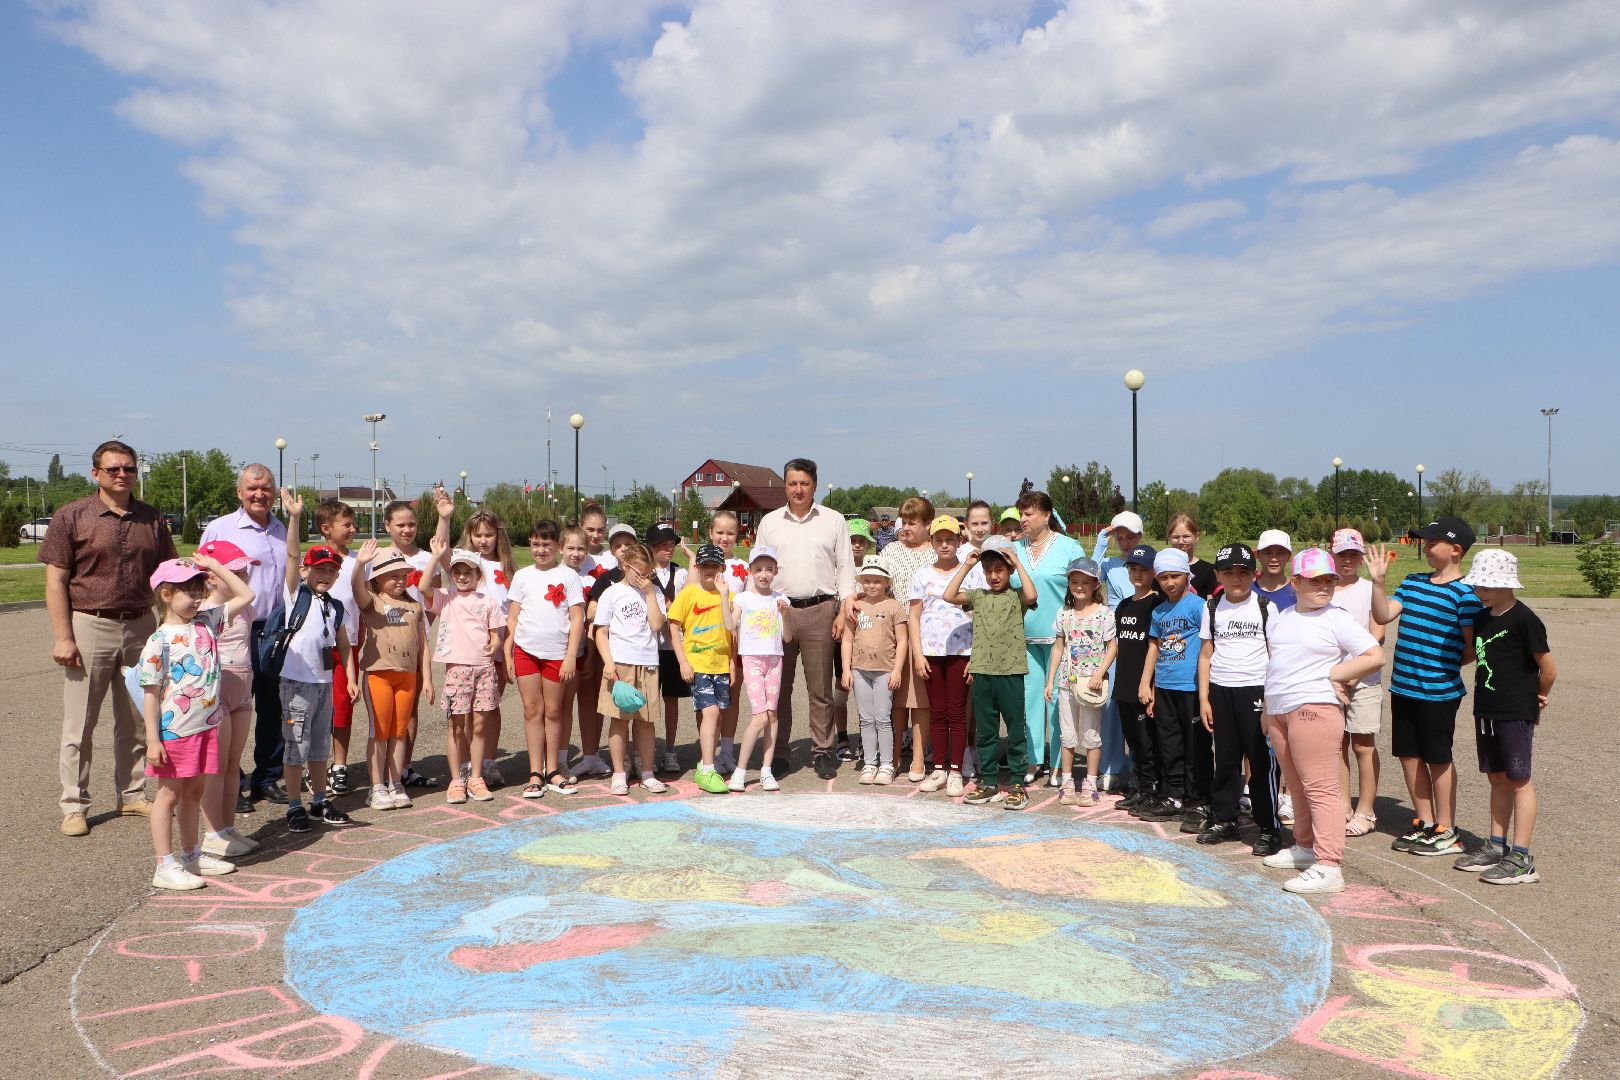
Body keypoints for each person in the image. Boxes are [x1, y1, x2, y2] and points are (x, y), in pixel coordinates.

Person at [41, 439, 177, 836]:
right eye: (113, 468)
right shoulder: (72, 516)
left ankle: (132, 794)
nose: (122, 475)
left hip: (140, 625)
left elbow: (167, 575)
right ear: (96, 473)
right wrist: (63, 636)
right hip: (89, 625)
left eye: (129, 468)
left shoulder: (151, 518)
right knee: (80, 721)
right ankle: (74, 804)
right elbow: (56, 580)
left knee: (136, 717)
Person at [1260, 549, 1384, 895]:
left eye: (1329, 580)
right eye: (1317, 580)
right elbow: (1276, 663)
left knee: (1321, 788)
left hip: (1315, 708)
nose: (1325, 586)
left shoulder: (1337, 618)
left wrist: (1338, 674)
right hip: (1282, 710)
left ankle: (1329, 864)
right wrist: (1267, 709)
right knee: (1296, 784)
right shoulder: (1282, 617)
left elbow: (1374, 654)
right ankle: (1304, 846)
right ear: (1296, 582)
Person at [1367, 517, 1483, 859]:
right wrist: (1377, 582)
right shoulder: (1413, 582)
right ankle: (1426, 821)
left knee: (1438, 759)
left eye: (1433, 542)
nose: (1426, 547)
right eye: (1425, 541)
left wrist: (1443, 666)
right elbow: (1384, 613)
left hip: (1439, 692)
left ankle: (1447, 829)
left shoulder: (1465, 594)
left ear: (1456, 550)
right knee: (1409, 756)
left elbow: (1470, 647)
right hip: (1403, 687)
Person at [138, 555, 256, 890]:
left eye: (199, 590)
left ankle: (191, 855)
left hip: (206, 726)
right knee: (170, 795)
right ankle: (164, 863)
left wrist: (214, 567)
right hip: (175, 731)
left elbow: (245, 595)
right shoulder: (158, 641)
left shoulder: (206, 622)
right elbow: (150, 694)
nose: (197, 598)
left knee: (195, 790)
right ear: (165, 594)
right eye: (189, 591)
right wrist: (153, 740)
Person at [1450, 550, 1554, 885]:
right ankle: (1496, 845)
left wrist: (1537, 699)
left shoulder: (1525, 620)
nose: (1480, 591)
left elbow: (1548, 669)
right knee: (1497, 778)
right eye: (1478, 585)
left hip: (1515, 712)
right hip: (1487, 710)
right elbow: (1478, 658)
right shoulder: (1482, 618)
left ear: (1507, 585)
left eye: (1488, 586)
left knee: (1519, 779)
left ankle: (1522, 858)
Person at [752, 458, 857, 779]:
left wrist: (842, 609)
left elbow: (845, 569)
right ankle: (778, 752)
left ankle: (823, 751)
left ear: (814, 485)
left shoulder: (833, 520)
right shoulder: (770, 522)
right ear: (785, 485)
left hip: (820, 610)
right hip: (777, 611)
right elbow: (757, 567)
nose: (798, 489)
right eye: (792, 483)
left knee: (820, 688)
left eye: (804, 483)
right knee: (778, 688)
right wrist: (752, 612)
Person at [199, 463, 287, 805]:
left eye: (265, 488)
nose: (259, 494)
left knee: (272, 705)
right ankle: (230, 784)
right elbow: (202, 573)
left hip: (275, 627)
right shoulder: (221, 529)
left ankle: (267, 776)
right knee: (229, 707)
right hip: (233, 628)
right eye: (252, 488)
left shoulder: (281, 529)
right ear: (239, 492)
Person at [1195, 543, 1284, 855]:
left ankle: (1269, 826)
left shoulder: (1264, 606)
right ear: (1218, 574)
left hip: (1256, 691)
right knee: (1227, 759)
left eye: (1244, 572)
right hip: (1222, 689)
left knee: (1261, 760)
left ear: (1254, 574)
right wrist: (1204, 698)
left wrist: (1272, 699)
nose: (1236, 578)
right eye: (1228, 572)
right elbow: (1206, 654)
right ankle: (1224, 817)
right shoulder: (1212, 607)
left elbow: (1276, 654)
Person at [278, 493, 357, 833]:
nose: (325, 574)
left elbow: (342, 644)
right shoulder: (295, 593)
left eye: (331, 569)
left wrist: (351, 677)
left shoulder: (335, 605)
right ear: (304, 570)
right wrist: (294, 517)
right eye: (319, 568)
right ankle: (294, 804)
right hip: (296, 682)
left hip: (325, 682)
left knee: (321, 745)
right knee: (296, 743)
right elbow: (293, 552)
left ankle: (319, 800)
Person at [946, 537, 1038, 809]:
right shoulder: (978, 596)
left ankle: (1018, 783)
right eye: (989, 571)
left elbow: (1032, 596)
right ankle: (989, 782)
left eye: (999, 570)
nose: (994, 576)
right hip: (983, 671)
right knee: (986, 731)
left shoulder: (1016, 596)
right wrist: (967, 566)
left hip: (1010, 672)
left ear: (1008, 570)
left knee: (1015, 730)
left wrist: (1018, 562)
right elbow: (949, 595)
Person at [418, 538, 505, 804]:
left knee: (479, 726)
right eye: (457, 572)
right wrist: (435, 557)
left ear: (478, 575)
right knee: (456, 727)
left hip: (484, 668)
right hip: (457, 669)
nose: (462, 577)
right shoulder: (446, 598)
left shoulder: (487, 601)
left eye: (468, 572)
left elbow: (496, 633)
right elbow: (423, 586)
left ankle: (475, 777)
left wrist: (496, 643)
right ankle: (457, 780)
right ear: (450, 574)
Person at [348, 538, 431, 811]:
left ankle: (396, 782)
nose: (399, 581)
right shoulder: (372, 602)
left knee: (399, 732)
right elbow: (356, 588)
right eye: (392, 576)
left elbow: (423, 646)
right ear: (379, 577)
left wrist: (427, 679)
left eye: (403, 575)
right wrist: (360, 564)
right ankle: (376, 786)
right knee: (380, 731)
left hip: (407, 677)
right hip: (379, 675)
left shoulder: (414, 608)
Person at [507, 520, 586, 798]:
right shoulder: (523, 576)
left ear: (557, 546)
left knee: (553, 711)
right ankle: (535, 772)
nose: (541, 549)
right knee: (532, 710)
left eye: (547, 544)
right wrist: (510, 651)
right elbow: (513, 617)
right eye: (536, 543)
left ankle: (553, 769)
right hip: (526, 651)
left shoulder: (568, 576)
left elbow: (577, 619)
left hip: (557, 654)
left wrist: (569, 657)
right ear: (530, 543)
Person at [195, 541, 263, 860]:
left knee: (234, 763)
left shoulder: (244, 608)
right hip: (216, 692)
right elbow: (241, 593)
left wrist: (226, 570)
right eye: (236, 571)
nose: (244, 575)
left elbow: (244, 595)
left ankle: (228, 827)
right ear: (212, 576)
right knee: (216, 767)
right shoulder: (205, 611)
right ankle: (212, 833)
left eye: (244, 569)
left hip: (242, 687)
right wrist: (217, 568)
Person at [1013, 491, 1085, 786]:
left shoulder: (1069, 547)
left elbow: (1084, 588)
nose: (1023, 519)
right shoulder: (1014, 548)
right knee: (1029, 701)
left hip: (1060, 639)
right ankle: (1033, 759)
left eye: (1029, 513)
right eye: (1021, 513)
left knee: (1057, 701)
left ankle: (1058, 763)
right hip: (1025, 638)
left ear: (1046, 515)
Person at [593, 543, 670, 796]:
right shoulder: (612, 593)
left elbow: (657, 625)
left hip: (648, 662)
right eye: (638, 571)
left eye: (647, 573)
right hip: (621, 663)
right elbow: (600, 631)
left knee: (646, 720)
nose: (642, 577)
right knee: (619, 719)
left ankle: (647, 772)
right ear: (625, 566)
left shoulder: (655, 592)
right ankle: (618, 773)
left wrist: (649, 593)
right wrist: (608, 662)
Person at [1137, 548, 1206, 828]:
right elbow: (1154, 647)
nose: (1169, 582)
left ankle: (1197, 799)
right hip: (1164, 686)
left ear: (1186, 575)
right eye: (1163, 577)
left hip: (1190, 686)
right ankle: (1174, 796)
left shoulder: (1198, 606)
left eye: (1175, 576)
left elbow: (1208, 646)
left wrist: (1207, 690)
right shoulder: (1159, 611)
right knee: (1169, 745)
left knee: (1195, 746)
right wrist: (1146, 683)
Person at [912, 515, 979, 796]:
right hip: (931, 652)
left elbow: (980, 616)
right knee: (937, 712)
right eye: (938, 540)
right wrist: (918, 654)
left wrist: (975, 657)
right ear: (932, 542)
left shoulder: (972, 573)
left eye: (950, 539)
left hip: (962, 652)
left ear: (958, 541)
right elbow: (914, 616)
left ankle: (955, 770)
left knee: (957, 712)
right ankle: (938, 768)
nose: (944, 544)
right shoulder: (922, 575)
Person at [873, 496, 936, 781]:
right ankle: (894, 755)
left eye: (913, 523)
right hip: (893, 633)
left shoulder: (936, 552)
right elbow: (876, 584)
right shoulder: (890, 550)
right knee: (896, 699)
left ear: (927, 525)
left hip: (927, 634)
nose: (906, 528)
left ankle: (919, 758)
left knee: (920, 701)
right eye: (904, 522)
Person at [1329, 529, 1387, 838]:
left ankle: (1366, 809)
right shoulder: (1326, 587)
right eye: (1342, 554)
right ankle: (1342, 804)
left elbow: (1377, 633)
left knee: (1362, 745)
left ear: (1361, 557)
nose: (1348, 560)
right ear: (1333, 554)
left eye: (1354, 554)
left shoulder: (1368, 589)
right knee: (1337, 744)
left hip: (1363, 680)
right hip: (1331, 679)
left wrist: (1353, 674)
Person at [1045, 558, 1116, 806]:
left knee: (1091, 733)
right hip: (1067, 682)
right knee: (1068, 733)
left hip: (1092, 685)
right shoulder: (1064, 614)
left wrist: (1099, 674)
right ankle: (1067, 782)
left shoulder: (1104, 614)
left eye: (1085, 582)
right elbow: (1058, 648)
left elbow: (1112, 647)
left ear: (1096, 584)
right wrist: (1050, 680)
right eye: (1074, 582)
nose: (1079, 587)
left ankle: (1090, 782)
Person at [456, 504, 518, 789]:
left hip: (497, 649)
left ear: (498, 536)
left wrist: (507, 651)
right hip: (467, 650)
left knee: (490, 707)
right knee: (466, 711)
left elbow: (512, 614)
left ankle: (489, 761)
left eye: (489, 535)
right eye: (478, 534)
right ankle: (469, 763)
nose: (483, 540)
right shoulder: (464, 566)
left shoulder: (507, 571)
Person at [724, 546, 794, 791]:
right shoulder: (742, 598)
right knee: (759, 716)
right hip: (752, 659)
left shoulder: (780, 599)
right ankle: (740, 772)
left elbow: (787, 637)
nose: (763, 574)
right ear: (750, 572)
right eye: (758, 569)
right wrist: (724, 597)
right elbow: (730, 624)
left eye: (768, 569)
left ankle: (766, 770)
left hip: (775, 659)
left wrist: (786, 615)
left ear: (775, 571)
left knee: (772, 715)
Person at [668, 543, 736, 794]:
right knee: (711, 713)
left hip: (721, 666)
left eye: (714, 566)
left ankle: (705, 760)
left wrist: (731, 664)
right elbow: (674, 627)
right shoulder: (689, 594)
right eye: (704, 565)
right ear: (697, 568)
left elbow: (732, 633)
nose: (709, 570)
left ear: (722, 568)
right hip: (698, 665)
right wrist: (683, 661)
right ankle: (707, 769)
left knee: (717, 715)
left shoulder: (728, 596)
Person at [574, 521, 639, 777]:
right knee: (619, 705)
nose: (624, 549)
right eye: (618, 545)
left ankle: (638, 755)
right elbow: (592, 612)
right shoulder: (607, 578)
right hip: (613, 652)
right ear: (611, 550)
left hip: (640, 653)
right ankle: (620, 757)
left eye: (629, 545)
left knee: (641, 705)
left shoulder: (647, 577)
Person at [379, 498, 437, 789]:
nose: (406, 530)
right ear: (387, 525)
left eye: (411, 524)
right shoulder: (379, 557)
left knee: (409, 710)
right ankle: (384, 768)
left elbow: (434, 598)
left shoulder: (426, 559)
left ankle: (404, 767)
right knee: (385, 710)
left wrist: (423, 624)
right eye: (400, 524)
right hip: (386, 645)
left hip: (414, 643)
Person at [1092, 510, 1149, 791]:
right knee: (1113, 702)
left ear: (1140, 536)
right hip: (1116, 637)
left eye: (1130, 537)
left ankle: (1143, 767)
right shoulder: (1111, 564)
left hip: (1142, 636)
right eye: (1120, 537)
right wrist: (1101, 544)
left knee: (1140, 701)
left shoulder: (1149, 563)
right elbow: (1089, 574)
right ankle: (1112, 766)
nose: (1125, 542)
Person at [842, 557, 908, 785]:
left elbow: (902, 640)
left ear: (886, 583)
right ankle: (870, 763)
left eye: (877, 581)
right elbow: (847, 640)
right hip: (860, 670)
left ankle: (887, 764)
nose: (871, 585)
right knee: (866, 719)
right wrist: (846, 669)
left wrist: (897, 670)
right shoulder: (856, 605)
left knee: (883, 718)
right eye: (867, 581)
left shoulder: (894, 606)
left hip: (884, 671)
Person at [313, 500, 361, 798]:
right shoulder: (315, 559)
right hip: (315, 649)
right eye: (347, 524)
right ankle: (313, 764)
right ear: (327, 528)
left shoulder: (358, 561)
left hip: (348, 647)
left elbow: (363, 605)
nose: (353, 529)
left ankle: (340, 765)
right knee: (315, 709)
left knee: (342, 709)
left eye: (353, 523)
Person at [1113, 545, 1163, 814]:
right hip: (1124, 683)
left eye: (1144, 569)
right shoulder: (1123, 605)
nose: (1138, 573)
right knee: (1133, 741)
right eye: (1133, 568)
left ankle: (1151, 790)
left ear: (1154, 571)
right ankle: (1138, 788)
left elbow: (1156, 648)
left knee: (1147, 743)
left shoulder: (1157, 604)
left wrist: (1151, 685)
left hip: (1145, 687)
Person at [646, 523, 690, 773]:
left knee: (671, 700)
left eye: (671, 544)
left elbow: (688, 599)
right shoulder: (644, 573)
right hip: (650, 647)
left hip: (673, 648)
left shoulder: (680, 573)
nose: (668, 548)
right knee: (648, 701)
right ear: (651, 547)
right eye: (662, 544)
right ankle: (644, 751)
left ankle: (670, 749)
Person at [710, 510, 750, 773]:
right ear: (711, 534)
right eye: (720, 532)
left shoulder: (743, 568)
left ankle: (726, 752)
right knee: (709, 703)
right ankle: (708, 753)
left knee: (731, 699)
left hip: (736, 643)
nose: (725, 538)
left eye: (730, 533)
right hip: (708, 644)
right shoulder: (702, 565)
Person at [834, 518, 876, 761]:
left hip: (867, 637)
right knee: (841, 686)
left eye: (861, 541)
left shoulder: (872, 568)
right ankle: (841, 736)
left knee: (865, 688)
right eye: (852, 541)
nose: (857, 546)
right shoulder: (836, 570)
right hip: (842, 638)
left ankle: (864, 736)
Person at [1168, 512, 1216, 598]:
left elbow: (1210, 603)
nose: (1181, 542)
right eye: (1176, 537)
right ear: (1169, 538)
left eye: (1186, 536)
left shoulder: (1208, 570)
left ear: (1196, 537)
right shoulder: (1163, 568)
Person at [1252, 530, 1297, 609]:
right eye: (1267, 553)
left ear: (1288, 556)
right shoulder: (1247, 592)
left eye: (1280, 553)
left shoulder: (1297, 593)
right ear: (1258, 555)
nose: (1273, 559)